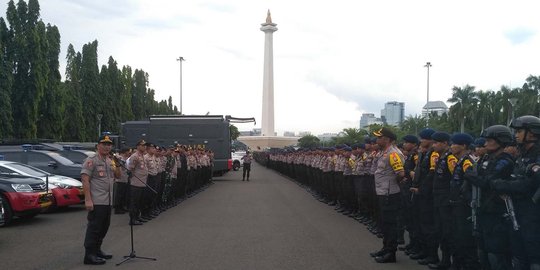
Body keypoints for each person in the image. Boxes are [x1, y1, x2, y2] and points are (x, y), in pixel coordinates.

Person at [81, 134, 121, 265]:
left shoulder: (110, 160)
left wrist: (118, 164)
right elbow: (85, 179)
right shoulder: (92, 160)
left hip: (107, 200)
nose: (107, 147)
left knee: (104, 227)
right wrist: (88, 200)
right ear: (98, 146)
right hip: (97, 200)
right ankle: (89, 255)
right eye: (104, 144)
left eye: (109, 144)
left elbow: (118, 176)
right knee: (94, 228)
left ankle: (97, 250)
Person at [369, 127, 405, 263]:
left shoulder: (393, 154)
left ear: (387, 139)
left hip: (389, 194)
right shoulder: (384, 152)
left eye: (379, 137)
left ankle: (391, 253)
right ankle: (385, 248)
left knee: (390, 224)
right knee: (385, 223)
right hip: (383, 193)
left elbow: (400, 174)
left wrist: (391, 185)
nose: (377, 140)